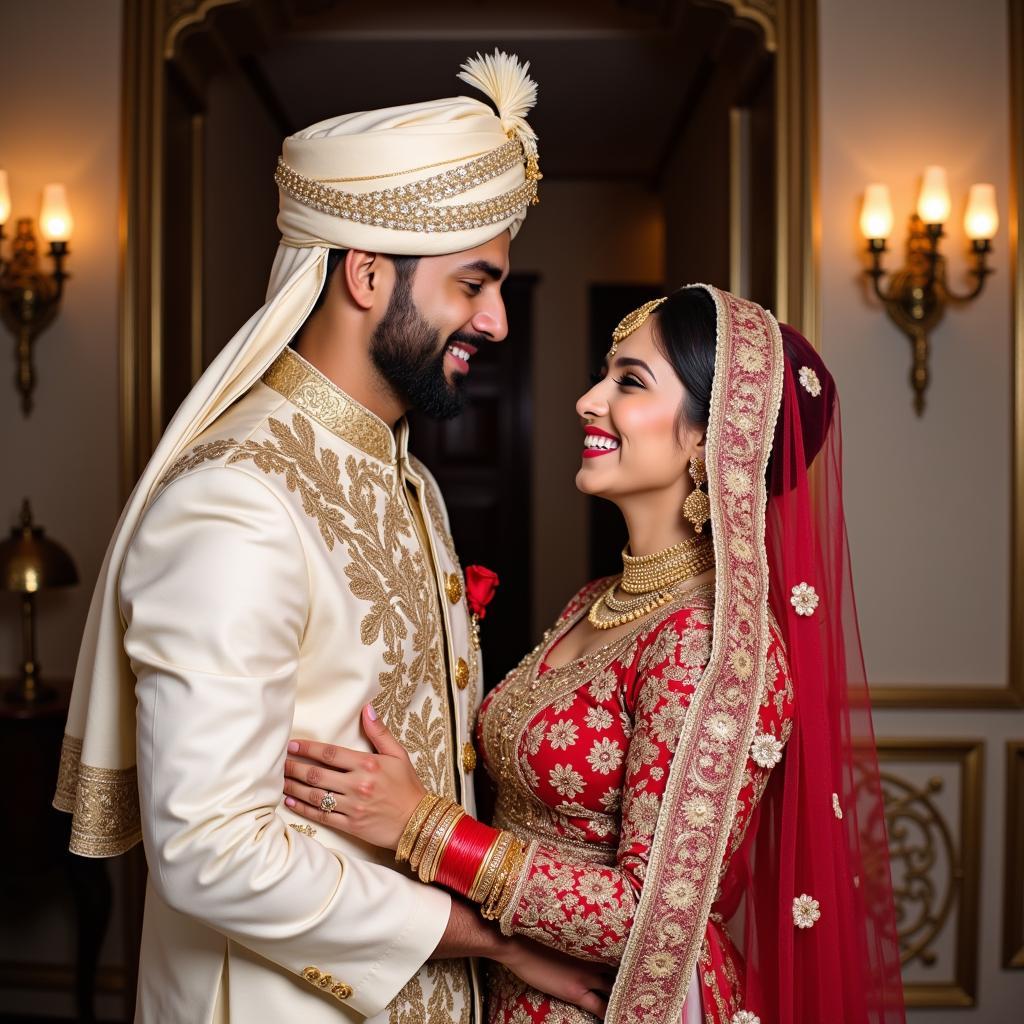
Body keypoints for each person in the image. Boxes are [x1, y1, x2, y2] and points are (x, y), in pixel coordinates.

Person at [53, 51, 611, 1022]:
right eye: (472, 283)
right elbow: (209, 852)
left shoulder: (412, 482)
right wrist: (485, 933)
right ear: (364, 273)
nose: (496, 320)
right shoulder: (233, 501)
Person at [284, 285, 908, 1023]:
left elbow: (652, 915)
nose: (587, 400)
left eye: (630, 382)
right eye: (602, 374)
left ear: (714, 440)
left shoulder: (708, 645)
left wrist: (423, 824)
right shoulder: (598, 599)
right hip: (511, 986)